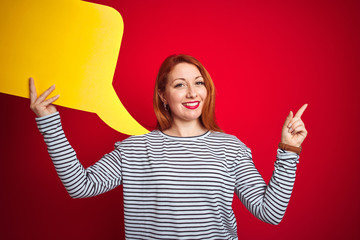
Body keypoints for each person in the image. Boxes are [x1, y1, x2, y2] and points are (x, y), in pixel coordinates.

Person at [30, 54, 308, 240]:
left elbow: (269, 213)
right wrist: (49, 122)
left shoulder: (230, 148)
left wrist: (288, 150)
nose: (192, 92)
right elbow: (81, 186)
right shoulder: (136, 148)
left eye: (199, 83)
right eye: (179, 84)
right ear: (163, 95)